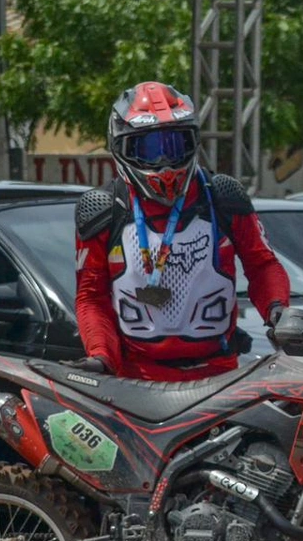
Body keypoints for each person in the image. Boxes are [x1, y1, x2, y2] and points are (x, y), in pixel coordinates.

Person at [72, 81, 290, 381]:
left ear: (193, 143)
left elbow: (262, 264)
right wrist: (100, 355)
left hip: (217, 374)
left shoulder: (224, 196)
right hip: (135, 378)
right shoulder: (101, 208)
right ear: (121, 146)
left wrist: (278, 310)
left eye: (175, 145)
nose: (164, 162)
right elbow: (91, 296)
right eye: (148, 149)